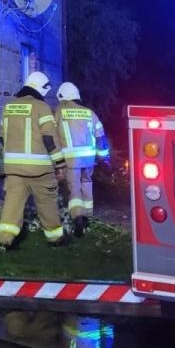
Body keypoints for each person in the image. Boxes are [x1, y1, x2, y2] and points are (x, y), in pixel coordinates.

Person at [0, 71, 68, 249]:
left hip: (13, 169)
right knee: (47, 204)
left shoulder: (9, 106)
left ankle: (5, 239)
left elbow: (2, 137)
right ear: (42, 88)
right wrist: (60, 164)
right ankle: (55, 239)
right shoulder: (41, 107)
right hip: (40, 170)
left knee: (12, 205)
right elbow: (49, 139)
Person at [53, 81, 110, 237]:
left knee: (74, 188)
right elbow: (101, 137)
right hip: (89, 159)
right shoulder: (89, 112)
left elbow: (52, 136)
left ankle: (77, 217)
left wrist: (55, 160)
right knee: (87, 184)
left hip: (71, 160)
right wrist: (104, 158)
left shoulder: (58, 112)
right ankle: (88, 216)